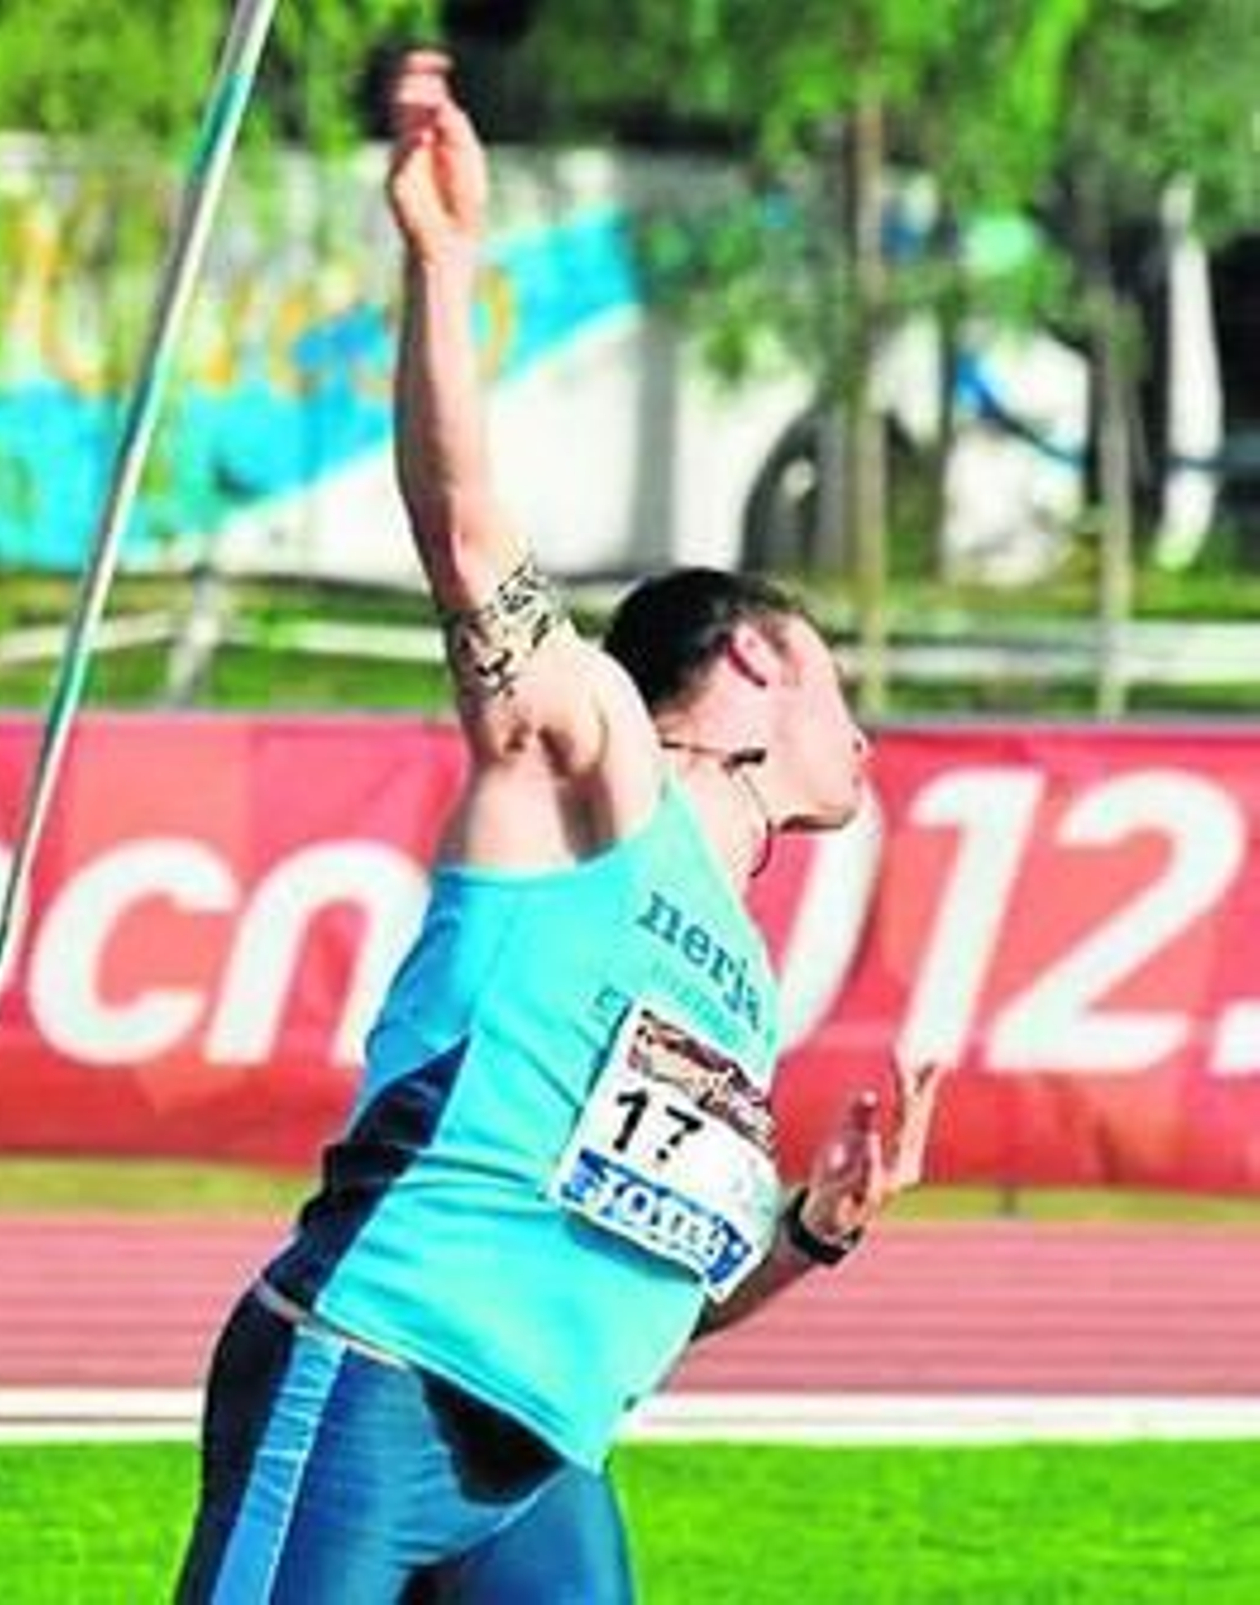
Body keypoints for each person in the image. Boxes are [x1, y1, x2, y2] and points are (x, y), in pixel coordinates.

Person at [173, 48, 947, 1605]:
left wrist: (812, 1231)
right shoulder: (597, 767)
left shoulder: (738, 981)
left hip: (541, 1458)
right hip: (379, 1372)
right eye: (833, 678)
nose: (862, 732)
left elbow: (654, 1290)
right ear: (749, 656)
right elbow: (468, 543)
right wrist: (444, 266)